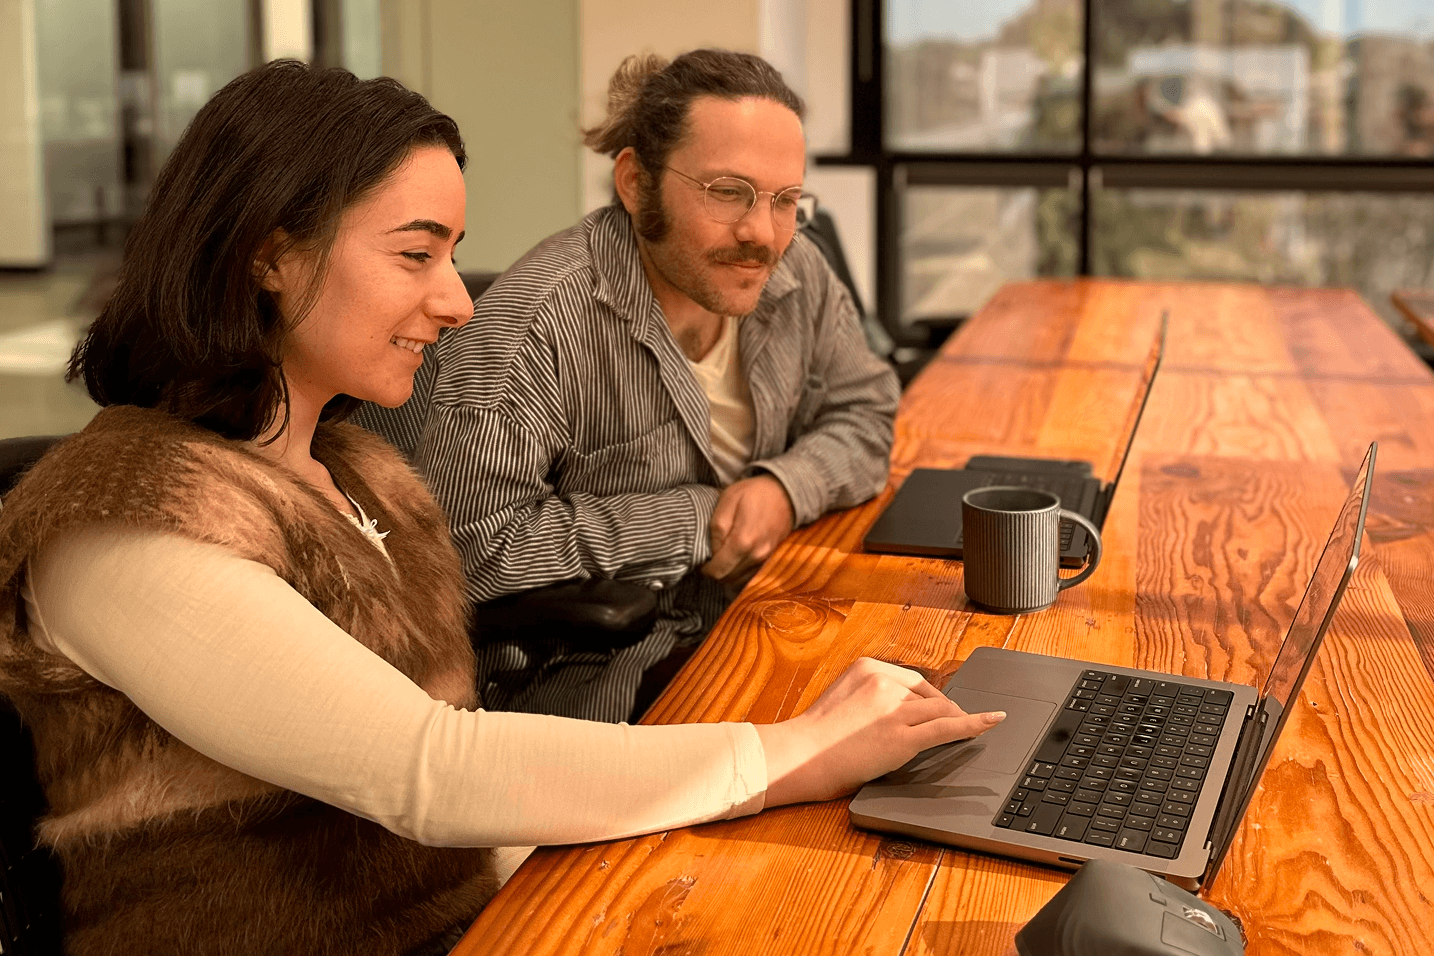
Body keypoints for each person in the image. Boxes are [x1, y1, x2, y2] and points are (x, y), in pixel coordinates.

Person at [0, 60, 1003, 956]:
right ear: (271, 255)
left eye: (452, 254)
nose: (458, 300)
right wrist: (790, 748)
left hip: (466, 899)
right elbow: (428, 769)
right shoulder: (122, 522)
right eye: (414, 254)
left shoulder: (347, 472)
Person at [360, 50, 900, 723]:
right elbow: (474, 549)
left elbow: (867, 408)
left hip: (779, 607)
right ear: (634, 182)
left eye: (784, 200)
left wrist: (787, 487)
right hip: (615, 678)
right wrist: (700, 517)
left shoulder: (798, 275)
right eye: (727, 192)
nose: (762, 232)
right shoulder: (536, 328)